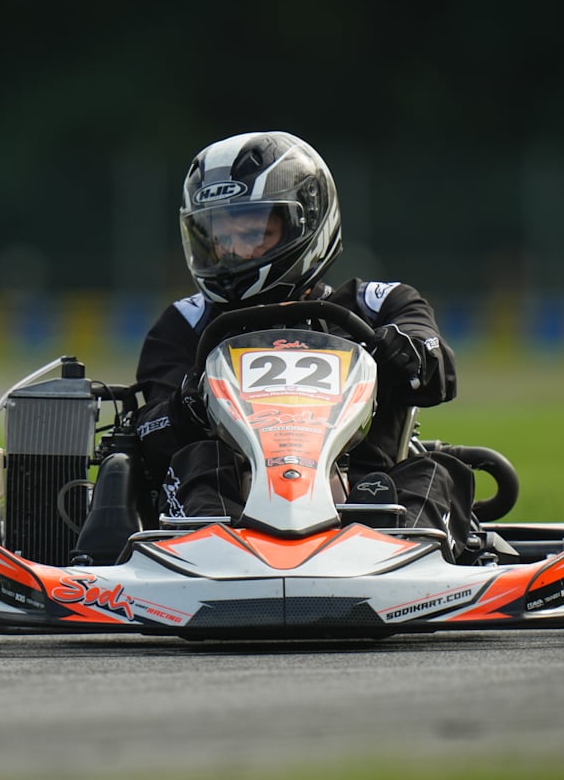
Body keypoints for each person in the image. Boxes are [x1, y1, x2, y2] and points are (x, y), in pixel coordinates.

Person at [132, 131, 473, 549]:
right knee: (197, 461)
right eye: (221, 236)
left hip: (369, 508)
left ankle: (408, 563)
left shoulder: (380, 306)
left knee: (438, 472)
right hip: (231, 515)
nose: (236, 251)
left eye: (255, 231)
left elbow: (438, 373)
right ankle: (206, 557)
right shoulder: (186, 324)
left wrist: (408, 353)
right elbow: (150, 434)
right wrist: (186, 406)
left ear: (305, 223)